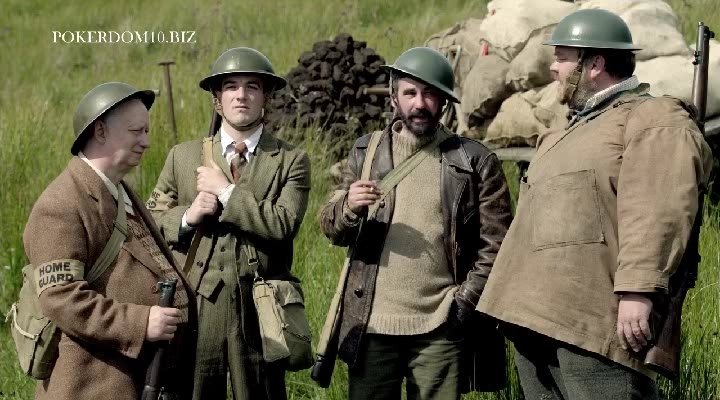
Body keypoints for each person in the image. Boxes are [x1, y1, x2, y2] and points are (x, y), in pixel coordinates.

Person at [478, 9, 714, 400]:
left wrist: (639, 290)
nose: (552, 67)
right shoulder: (565, 130)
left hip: (591, 324)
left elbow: (659, 208)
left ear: (595, 64)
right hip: (531, 317)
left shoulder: (651, 117)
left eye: (561, 57)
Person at [318, 47, 513, 400]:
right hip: (372, 326)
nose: (419, 104)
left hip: (440, 328)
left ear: (444, 102)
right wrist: (348, 207)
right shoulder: (366, 152)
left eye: (429, 94)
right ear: (394, 97)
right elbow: (331, 228)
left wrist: (461, 306)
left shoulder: (473, 161)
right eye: (410, 93)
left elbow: (498, 246)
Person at [147, 47, 311, 400]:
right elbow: (150, 223)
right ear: (217, 98)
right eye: (231, 86)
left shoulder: (291, 160)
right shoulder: (182, 156)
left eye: (252, 86)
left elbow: (283, 223)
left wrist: (226, 192)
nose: (241, 95)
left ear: (266, 96)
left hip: (259, 309)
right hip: (197, 304)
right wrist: (188, 216)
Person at [23, 82, 196, 400]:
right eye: (136, 131)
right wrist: (139, 323)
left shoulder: (119, 189)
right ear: (100, 131)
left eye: (146, 131)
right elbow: (60, 297)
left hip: (134, 378)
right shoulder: (60, 205)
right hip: (91, 384)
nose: (146, 142)